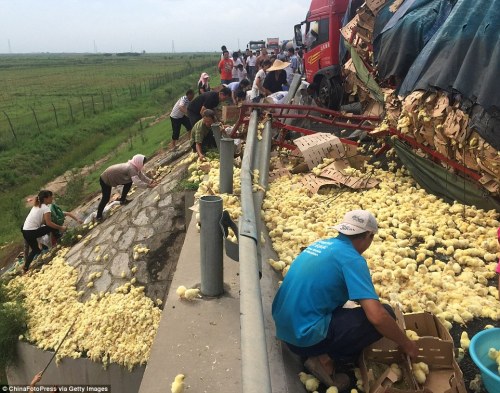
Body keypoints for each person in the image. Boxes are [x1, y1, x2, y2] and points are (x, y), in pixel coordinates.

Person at [272, 210, 418, 389]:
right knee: (386, 313)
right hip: (303, 339)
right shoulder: (352, 259)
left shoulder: (323, 245)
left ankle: (321, 351)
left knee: (351, 306)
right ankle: (326, 360)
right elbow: (377, 316)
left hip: (285, 329)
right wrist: (406, 343)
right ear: (369, 236)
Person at [96, 154, 157, 221]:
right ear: (138, 162)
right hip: (105, 178)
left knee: (129, 182)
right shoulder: (131, 168)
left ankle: (122, 200)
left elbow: (141, 176)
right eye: (143, 163)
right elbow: (137, 182)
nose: (143, 165)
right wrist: (148, 186)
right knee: (106, 198)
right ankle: (98, 216)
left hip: (109, 175)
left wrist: (150, 181)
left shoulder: (134, 165)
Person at [22, 190, 67, 272]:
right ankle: (58, 237)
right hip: (32, 232)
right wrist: (61, 227)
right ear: (46, 198)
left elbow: (41, 221)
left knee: (36, 250)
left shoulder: (37, 205)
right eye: (51, 196)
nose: (52, 198)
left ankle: (25, 268)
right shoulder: (45, 208)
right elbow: (49, 223)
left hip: (26, 231)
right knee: (50, 226)